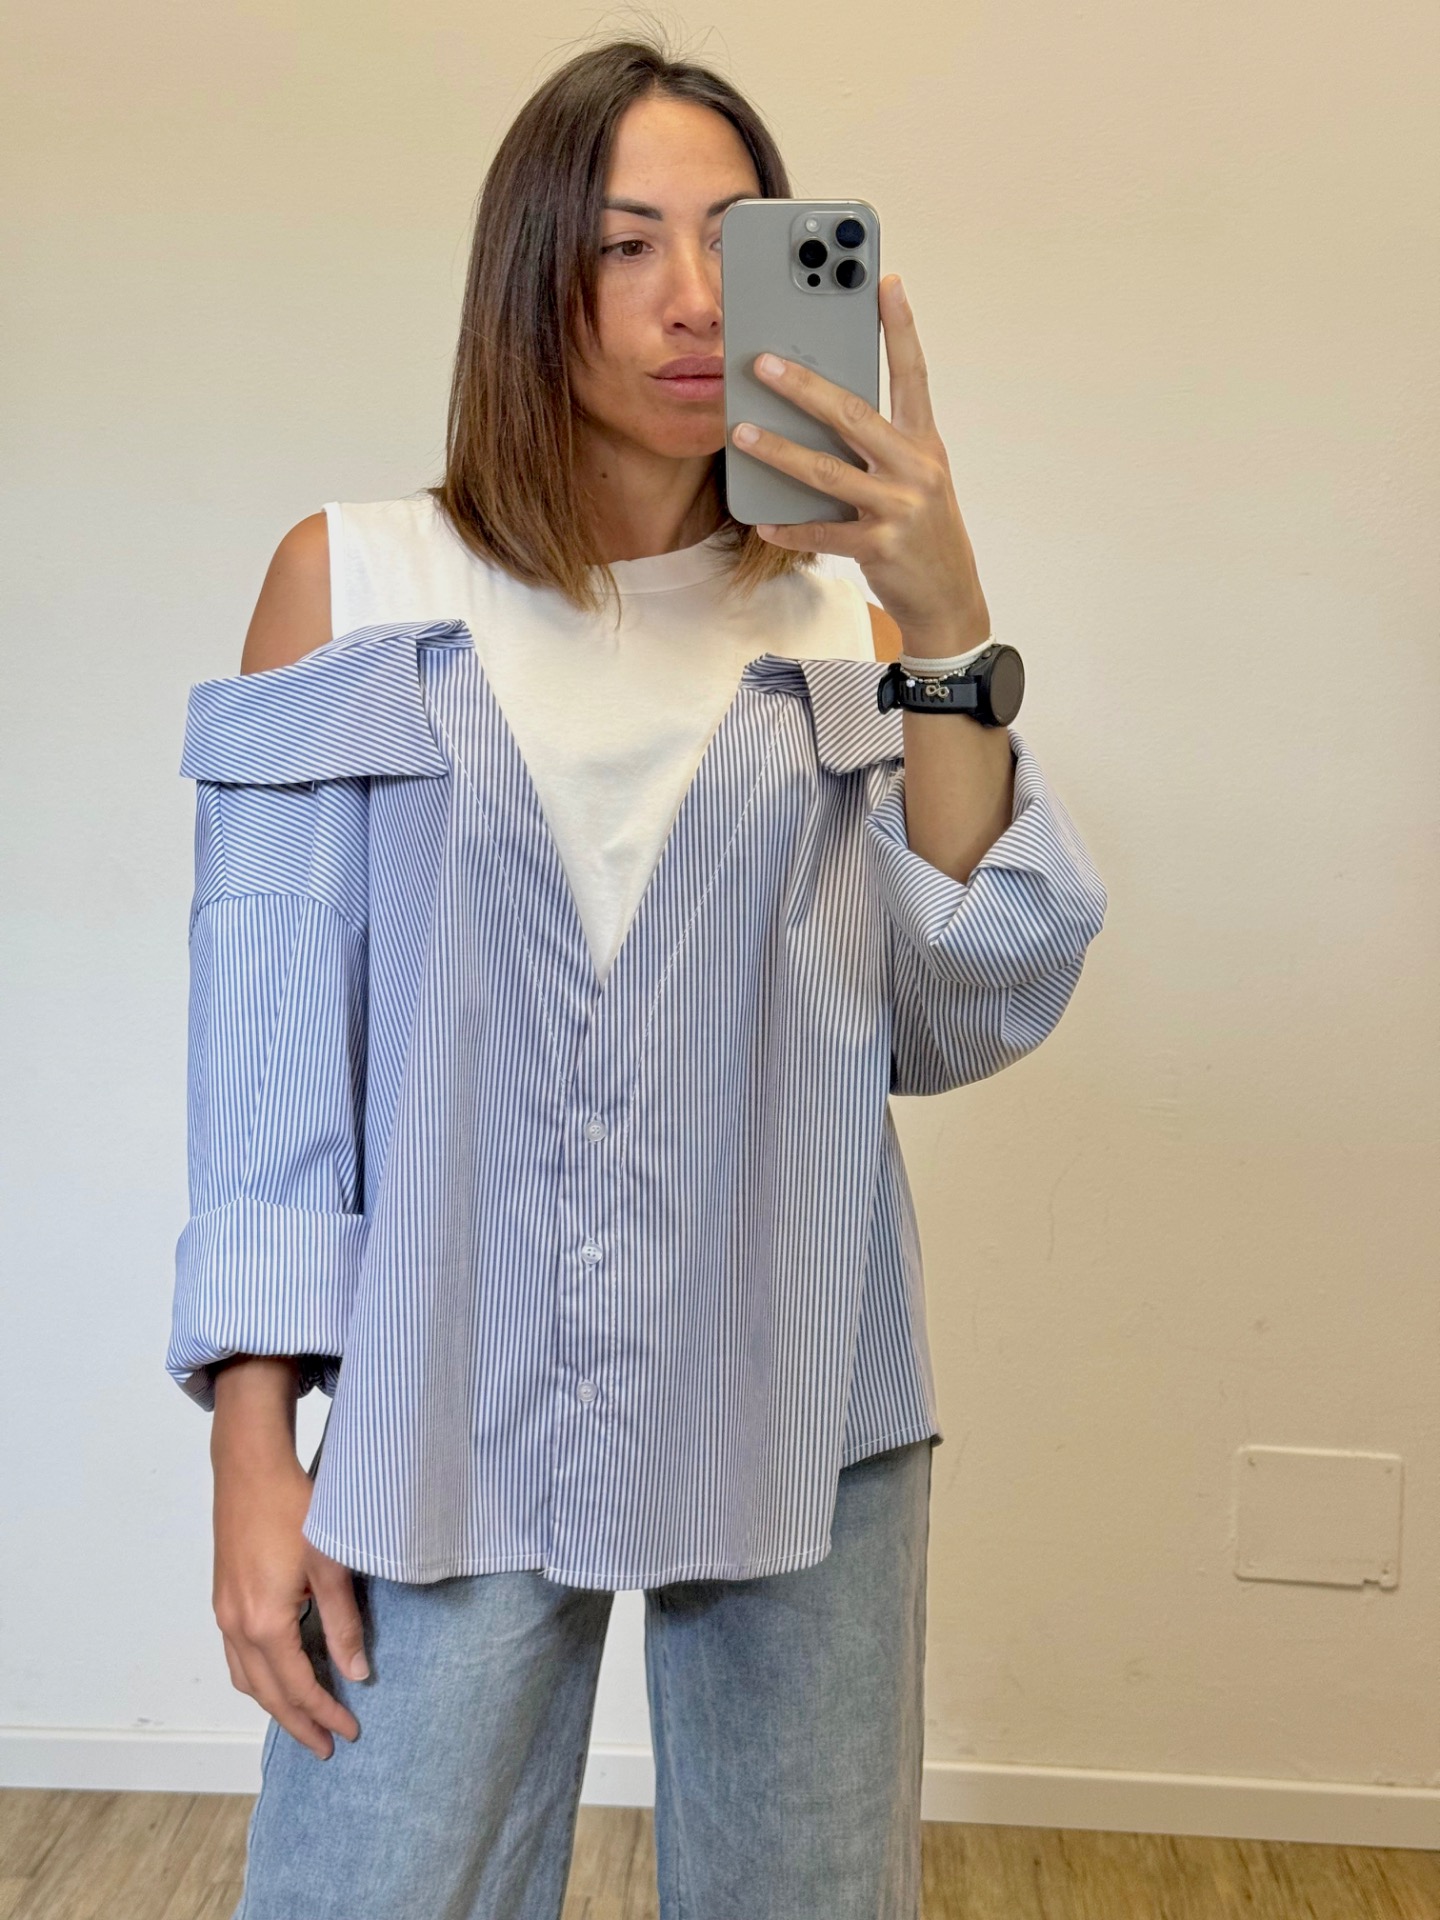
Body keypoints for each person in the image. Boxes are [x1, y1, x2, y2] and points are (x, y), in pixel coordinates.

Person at [166, 34, 1107, 1920]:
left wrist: (945, 620)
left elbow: (958, 1004)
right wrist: (255, 1459)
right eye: (624, 244)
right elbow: (269, 1056)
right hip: (446, 1379)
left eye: (737, 242)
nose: (695, 300)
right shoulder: (352, 588)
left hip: (803, 1385)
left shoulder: (848, 620)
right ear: (532, 275)